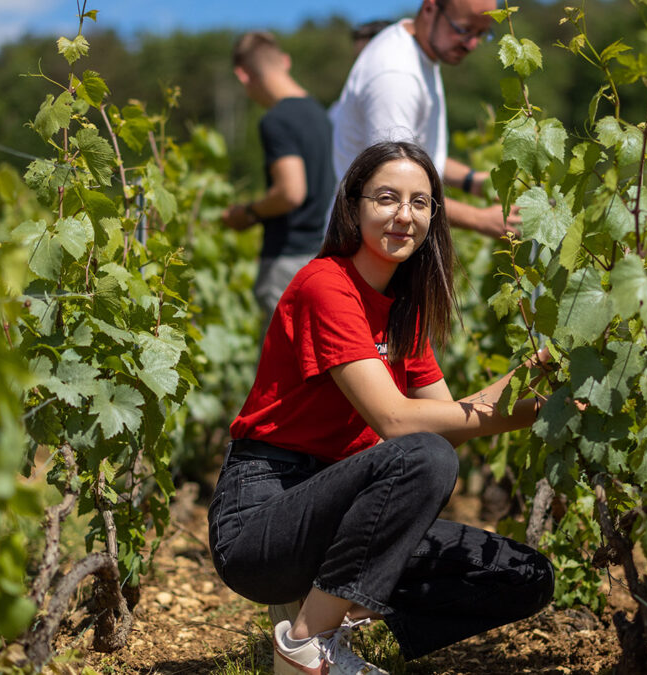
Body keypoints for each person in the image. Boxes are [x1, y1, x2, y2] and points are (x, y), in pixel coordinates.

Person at [208, 141, 554, 675]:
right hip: (263, 521)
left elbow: (451, 418)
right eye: (387, 198)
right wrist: (519, 415)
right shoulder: (326, 285)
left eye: (420, 203)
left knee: (525, 576)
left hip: (349, 515)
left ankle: (340, 625)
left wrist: (525, 379)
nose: (405, 215)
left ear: (434, 217)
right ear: (353, 205)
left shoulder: (403, 312)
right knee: (426, 457)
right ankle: (305, 644)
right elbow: (396, 421)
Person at [330, 0, 520, 238]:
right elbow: (396, 184)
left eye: (482, 34)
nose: (472, 44)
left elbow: (413, 152)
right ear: (430, 9)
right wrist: (478, 218)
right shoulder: (396, 75)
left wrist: (473, 181)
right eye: (463, 29)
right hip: (364, 249)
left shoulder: (419, 50)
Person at [222, 32, 336, 337]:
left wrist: (247, 214)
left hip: (287, 262)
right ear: (285, 62)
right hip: (321, 254)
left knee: (281, 371)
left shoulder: (276, 120)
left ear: (243, 75)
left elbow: (290, 191)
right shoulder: (322, 116)